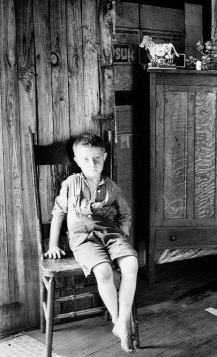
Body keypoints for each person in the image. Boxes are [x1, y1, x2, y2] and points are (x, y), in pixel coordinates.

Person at [45, 134, 138, 353]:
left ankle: (123, 320)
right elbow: (58, 213)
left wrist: (122, 232)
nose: (92, 163)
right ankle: (119, 323)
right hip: (83, 239)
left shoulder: (112, 187)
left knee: (131, 264)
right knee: (104, 270)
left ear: (104, 157)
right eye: (86, 159)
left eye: (97, 158)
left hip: (111, 234)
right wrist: (53, 244)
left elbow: (125, 214)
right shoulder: (72, 183)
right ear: (77, 160)